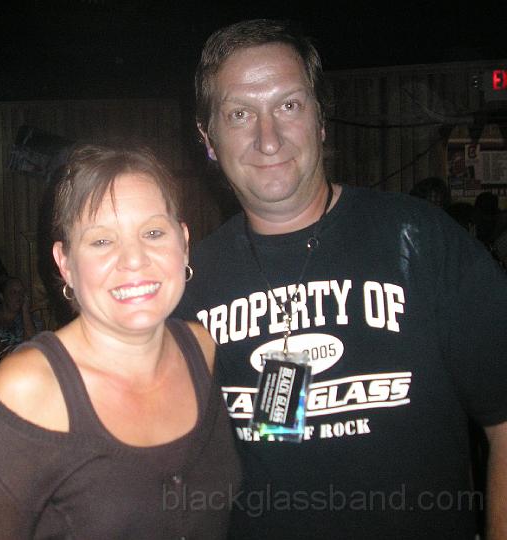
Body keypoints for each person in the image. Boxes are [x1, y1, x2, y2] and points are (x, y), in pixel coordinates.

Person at [174, 19, 507, 539]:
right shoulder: (186, 283)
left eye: (289, 105)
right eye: (240, 114)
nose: (268, 139)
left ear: (321, 120)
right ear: (208, 138)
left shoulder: (420, 241)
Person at [0, 145, 241, 538]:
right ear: (65, 263)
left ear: (183, 242)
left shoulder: (203, 350)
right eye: (102, 241)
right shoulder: (27, 390)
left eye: (153, 233)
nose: (134, 259)